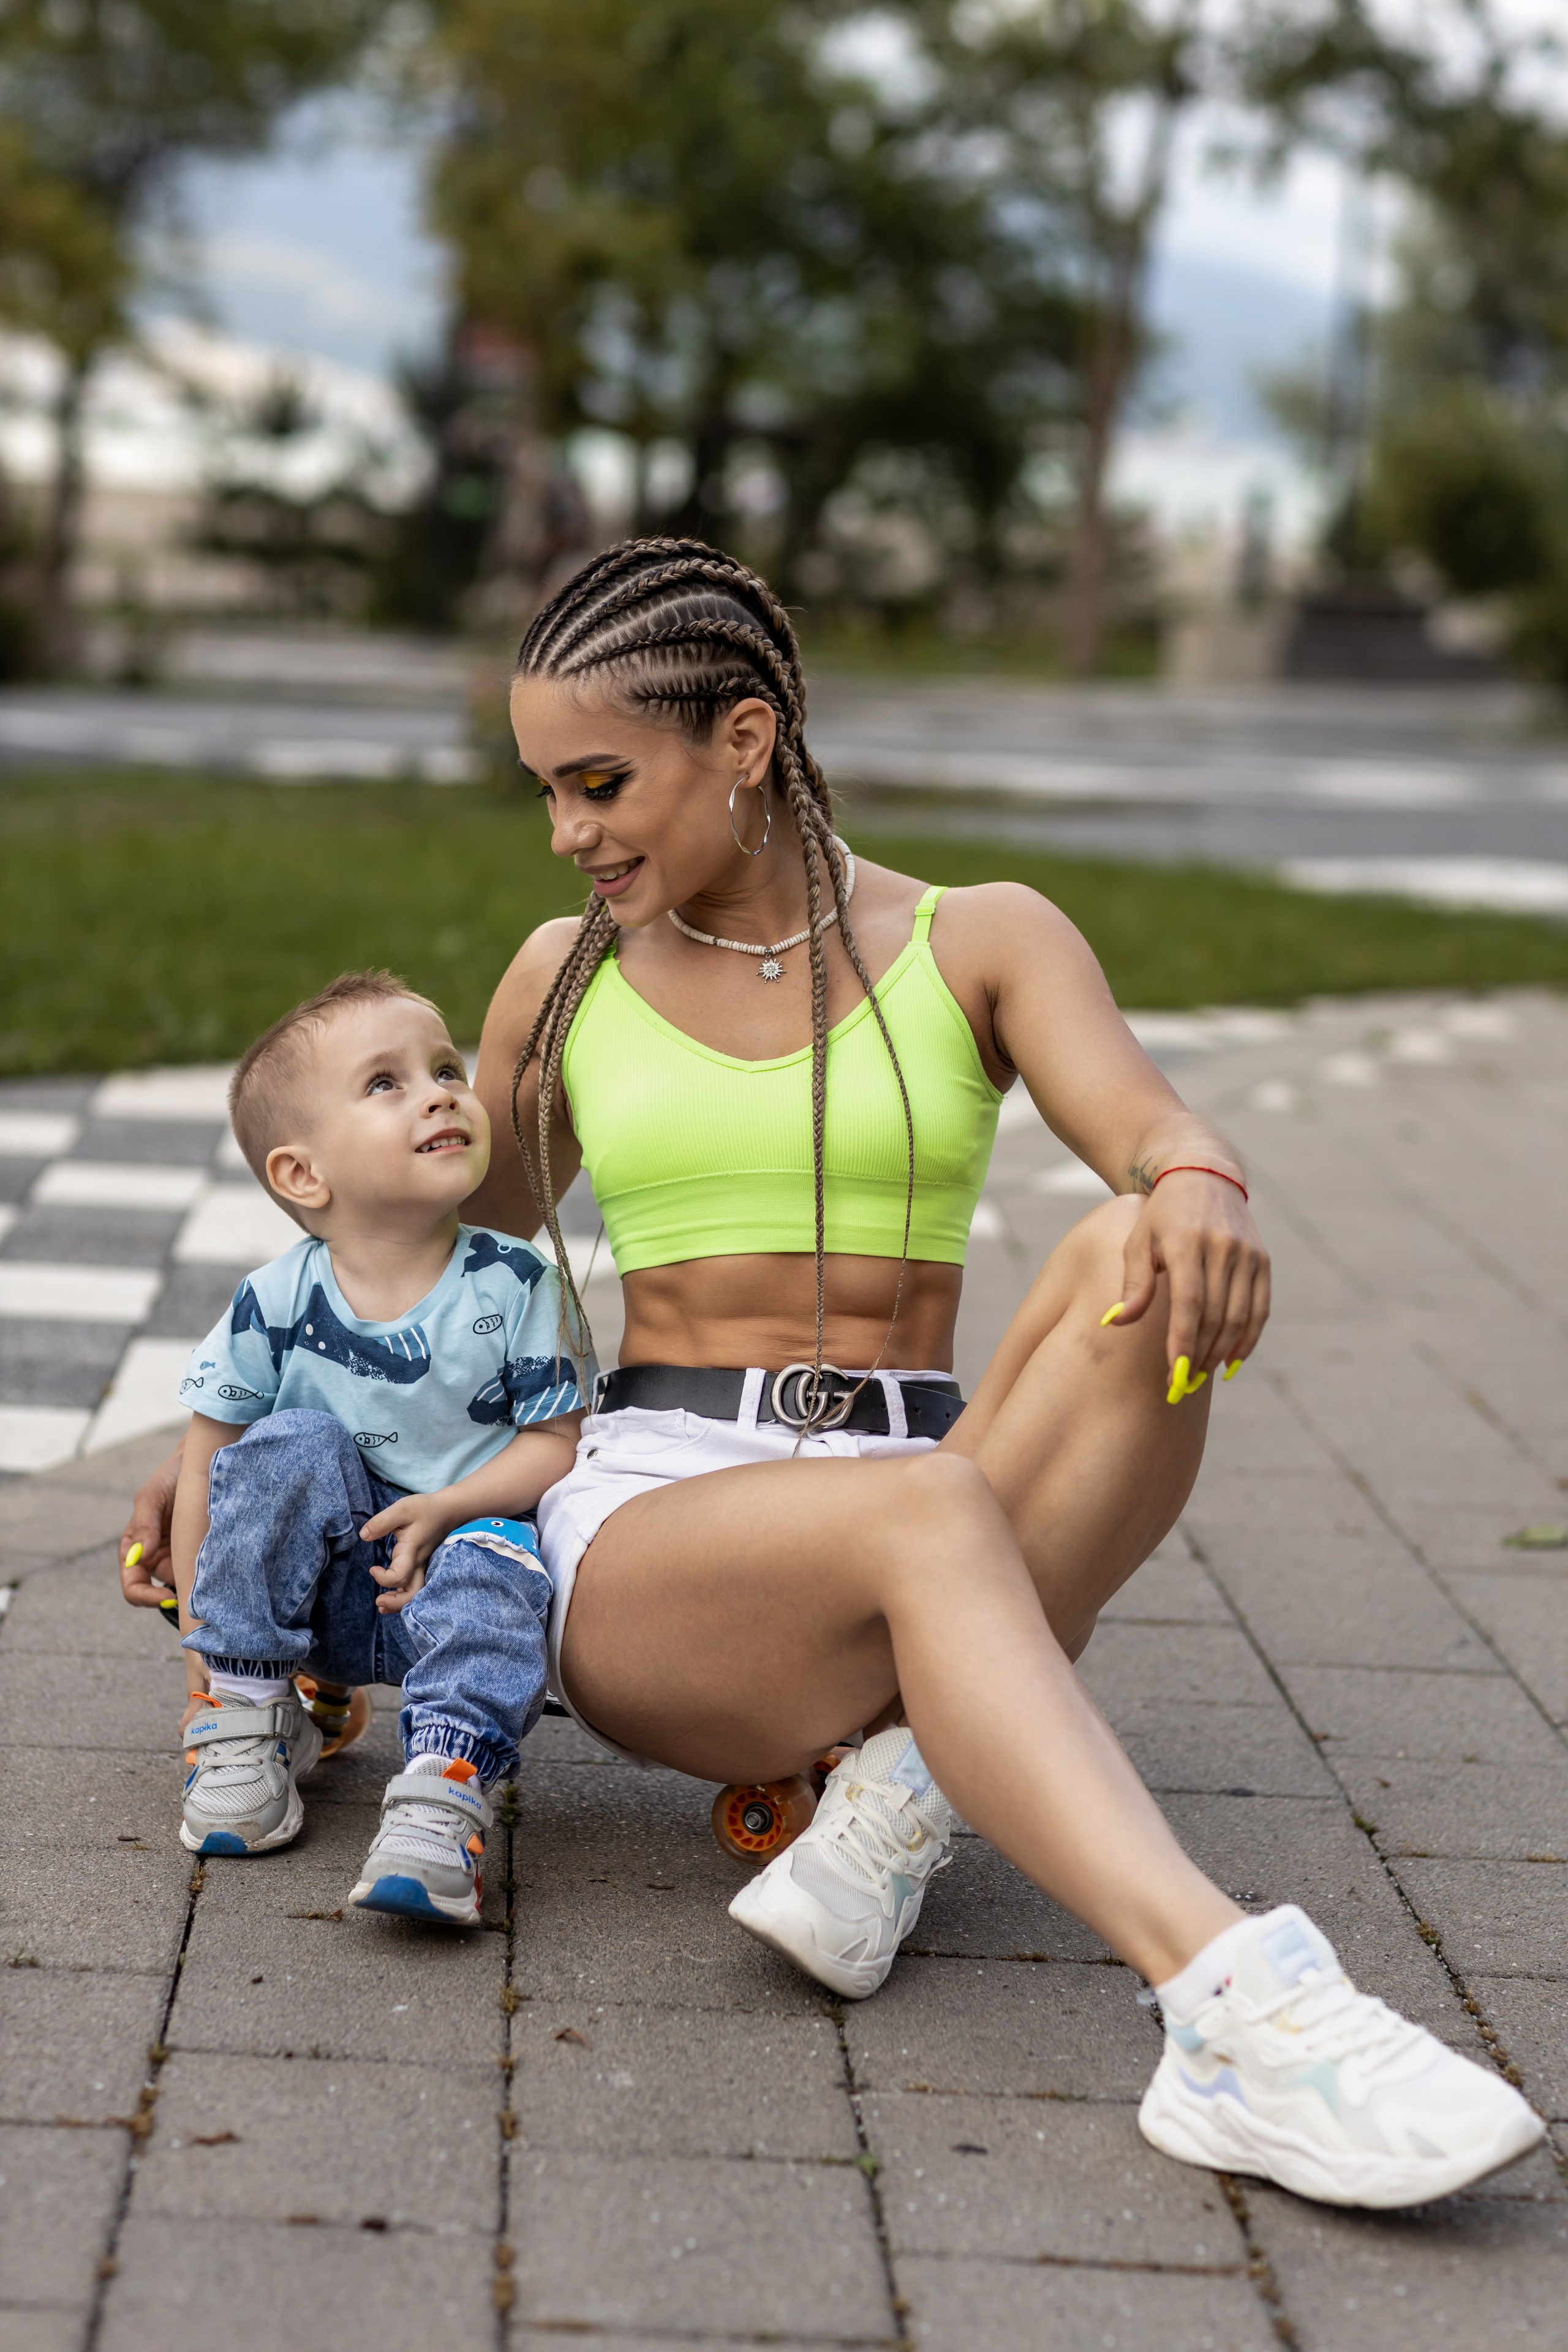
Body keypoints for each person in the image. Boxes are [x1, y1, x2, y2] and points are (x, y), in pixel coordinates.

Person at [123, 540, 1541, 2208]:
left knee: (1131, 1260)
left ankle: (892, 1801)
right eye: (548, 793)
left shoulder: (979, 939)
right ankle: (1234, 2005)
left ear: (741, 740)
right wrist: (253, 1454)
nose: (570, 833)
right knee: (929, 1515)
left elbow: (1154, 1127)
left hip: (925, 1487)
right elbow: (442, 1283)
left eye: (600, 782)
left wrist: (1203, 1184)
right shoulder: (560, 976)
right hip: (663, 1533)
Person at [162, 970, 587, 1927]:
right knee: (288, 1443)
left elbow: (557, 1442)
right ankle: (245, 1716)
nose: (441, 1090)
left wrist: (452, 1508)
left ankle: (442, 1797)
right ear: (303, 1174)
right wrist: (205, 1632)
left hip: (455, 1587)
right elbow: (208, 1466)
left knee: (498, 1552)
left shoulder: (519, 1283)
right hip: (318, 1602)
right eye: (386, 1083)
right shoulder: (273, 1301)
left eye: (445, 1068)